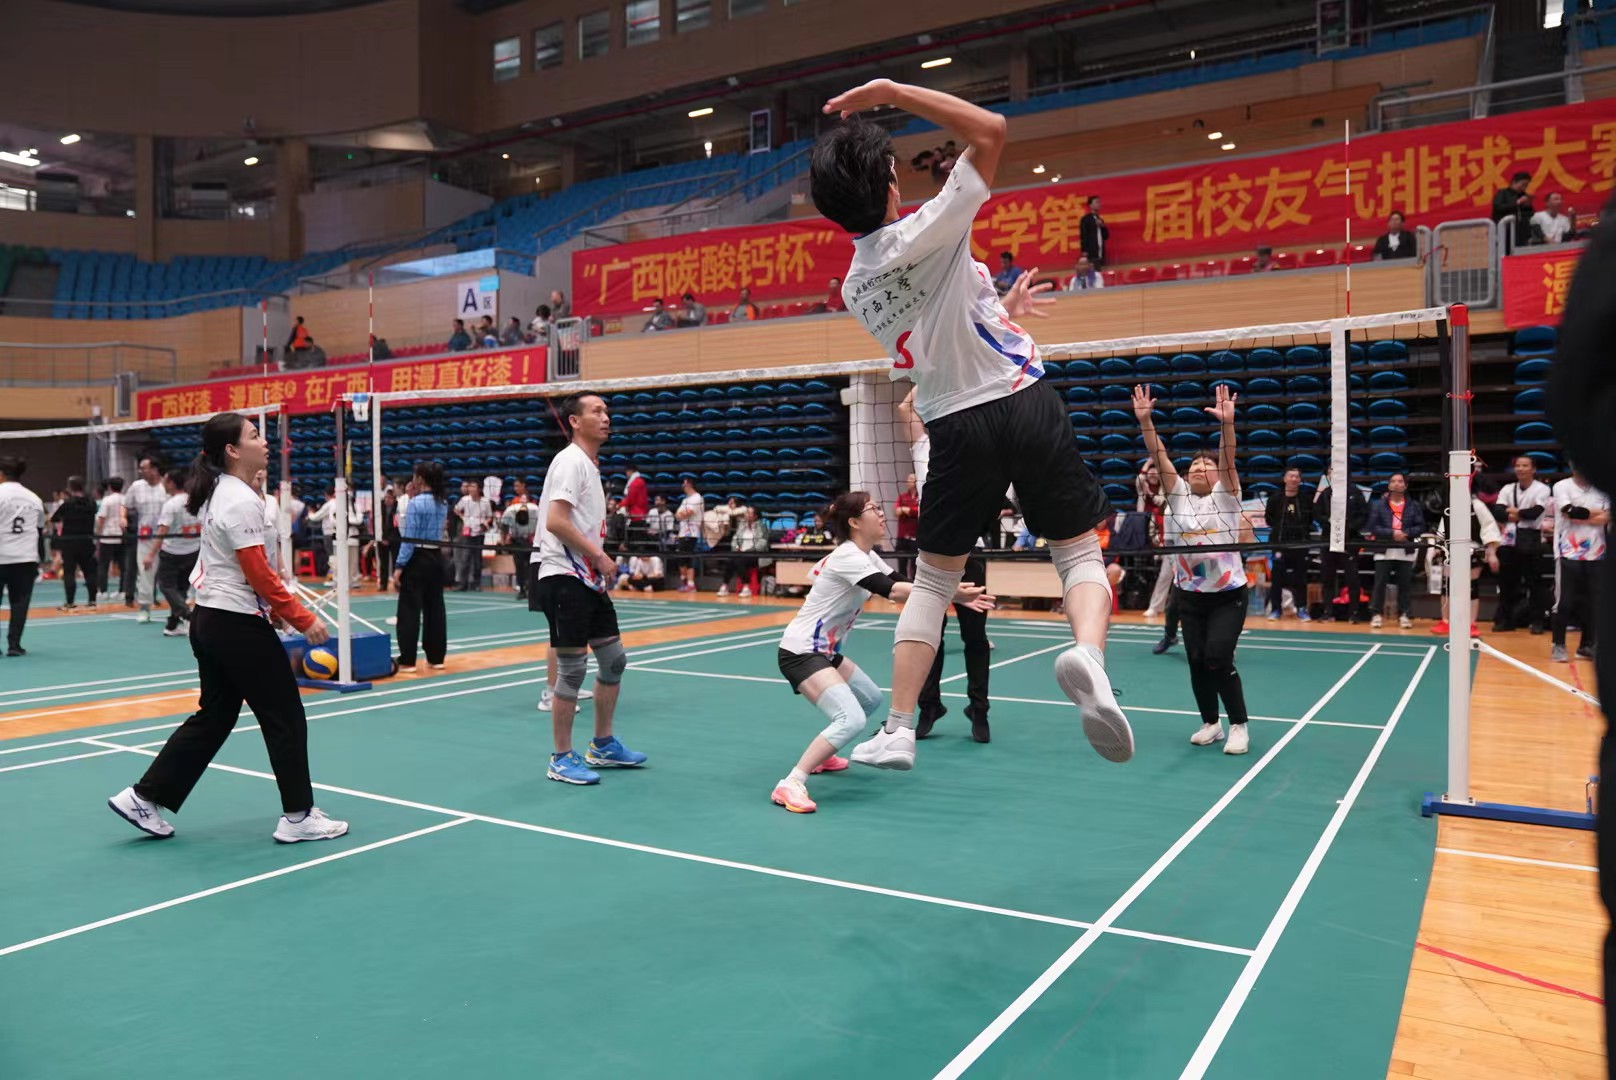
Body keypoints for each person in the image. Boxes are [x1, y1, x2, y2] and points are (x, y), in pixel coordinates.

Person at [812, 78, 1130, 770]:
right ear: (892, 182)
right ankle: (1089, 655)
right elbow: (991, 129)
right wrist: (892, 90)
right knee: (1077, 552)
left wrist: (997, 306)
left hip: (955, 425)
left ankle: (899, 728)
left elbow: (941, 324)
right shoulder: (935, 223)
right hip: (1024, 399)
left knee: (932, 583)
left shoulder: (855, 286)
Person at [106, 412, 346, 843]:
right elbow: (258, 572)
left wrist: (272, 610)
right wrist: (302, 617)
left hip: (212, 618)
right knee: (285, 716)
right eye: (254, 436)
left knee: (215, 716)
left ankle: (143, 797)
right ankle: (298, 817)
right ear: (233, 450)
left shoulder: (227, 492)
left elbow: (244, 568)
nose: (265, 442)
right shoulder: (238, 499)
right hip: (234, 624)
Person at [770, 491, 993, 812]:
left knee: (871, 699)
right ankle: (791, 782)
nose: (881, 513)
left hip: (826, 651)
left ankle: (824, 755)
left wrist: (951, 596)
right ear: (854, 522)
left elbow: (903, 584)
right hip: (801, 651)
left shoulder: (867, 556)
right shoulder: (847, 556)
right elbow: (891, 590)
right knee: (850, 719)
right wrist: (951, 593)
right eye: (873, 508)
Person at [1544, 187, 1615, 1077]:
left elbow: (1575, 390)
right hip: (1579, 558)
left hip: (1597, 555)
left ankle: (1579, 644)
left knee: (1583, 607)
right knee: (1569, 609)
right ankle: (1568, 646)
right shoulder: (1569, 492)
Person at [530, 392, 648, 785]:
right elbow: (556, 521)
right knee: (573, 668)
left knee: (613, 660)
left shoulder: (589, 466)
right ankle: (560, 757)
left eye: (607, 411)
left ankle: (603, 745)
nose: (606, 417)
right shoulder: (570, 462)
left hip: (586, 578)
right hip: (563, 575)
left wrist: (595, 561)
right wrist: (599, 555)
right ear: (575, 421)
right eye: (596, 411)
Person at [1134, 384, 1254, 755]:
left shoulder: (1226, 496)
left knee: (1218, 657)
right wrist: (1146, 421)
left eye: (1206, 465)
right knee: (1197, 663)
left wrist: (1227, 425)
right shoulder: (1179, 497)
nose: (1199, 467)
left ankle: (1238, 725)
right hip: (1189, 595)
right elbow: (1159, 456)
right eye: (1194, 465)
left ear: (1218, 475)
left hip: (1228, 595)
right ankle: (1211, 723)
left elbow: (1228, 457)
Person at [393, 462, 449, 672]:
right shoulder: (442, 502)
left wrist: (399, 566)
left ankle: (407, 660)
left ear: (420, 479)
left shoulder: (415, 503)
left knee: (409, 610)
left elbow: (409, 538)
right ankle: (436, 658)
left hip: (417, 558)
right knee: (435, 609)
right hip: (436, 557)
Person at [1550, 465, 1608, 662]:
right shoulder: (1561, 486)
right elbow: (1570, 512)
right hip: (1567, 552)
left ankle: (1586, 646)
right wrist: (1596, 515)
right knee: (1564, 601)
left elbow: (1608, 516)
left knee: (1593, 602)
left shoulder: (1603, 488)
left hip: (1597, 553)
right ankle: (1558, 645)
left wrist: (1583, 515)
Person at [1493, 455, 1554, 633]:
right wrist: (1519, 514)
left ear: (1533, 469)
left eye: (1525, 465)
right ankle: (1506, 620)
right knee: (1507, 583)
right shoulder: (1507, 488)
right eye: (1518, 466)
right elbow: (1498, 512)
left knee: (1534, 583)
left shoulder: (1542, 489)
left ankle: (1537, 621)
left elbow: (1535, 513)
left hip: (1531, 539)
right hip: (1508, 540)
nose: (1520, 469)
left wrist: (1514, 512)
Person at [1365, 473, 1426, 629]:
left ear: (1405, 486)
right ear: (1389, 485)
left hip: (1405, 549)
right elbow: (1373, 526)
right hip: (1384, 548)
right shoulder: (1378, 505)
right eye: (1393, 481)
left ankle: (1404, 614)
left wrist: (1406, 533)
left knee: (1405, 584)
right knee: (1380, 583)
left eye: (1400, 481)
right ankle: (1376, 614)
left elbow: (1420, 526)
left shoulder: (1414, 505)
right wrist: (1392, 533)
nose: (1396, 484)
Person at [148, 467, 202, 638]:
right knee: (181, 589)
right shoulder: (196, 501)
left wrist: (150, 555)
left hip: (172, 552)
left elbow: (162, 530)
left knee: (166, 586)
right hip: (193, 550)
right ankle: (172, 625)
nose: (163, 483)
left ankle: (188, 615)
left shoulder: (171, 504)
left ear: (171, 483)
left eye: (165, 480)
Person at [0, 455, 45, 657]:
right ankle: (14, 645)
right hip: (25, 557)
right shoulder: (34, 498)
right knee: (20, 603)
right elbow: (39, 529)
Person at [1314, 466, 1370, 623]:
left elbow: (1363, 515)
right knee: (1327, 578)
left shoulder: (1355, 493)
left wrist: (1348, 527)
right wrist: (1328, 522)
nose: (1333, 475)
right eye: (1330, 473)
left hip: (1349, 541)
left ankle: (1354, 612)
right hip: (1328, 541)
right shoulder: (1325, 494)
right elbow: (1317, 514)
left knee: (1352, 579)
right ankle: (1328, 612)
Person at [1265, 468, 1313, 621]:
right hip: (1279, 545)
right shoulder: (1275, 499)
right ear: (1285, 479)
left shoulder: (1305, 499)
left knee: (1301, 579)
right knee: (1277, 579)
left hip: (1300, 545)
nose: (1294, 479)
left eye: (1297, 476)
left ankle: (1301, 609)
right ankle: (1276, 610)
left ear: (1300, 480)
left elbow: (1310, 520)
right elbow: (1269, 520)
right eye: (1291, 476)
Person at [127, 456, 169, 623]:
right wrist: (122, 517)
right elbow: (125, 505)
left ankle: (179, 608)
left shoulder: (167, 485)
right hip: (145, 536)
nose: (141, 471)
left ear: (154, 469)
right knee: (145, 571)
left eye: (144, 468)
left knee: (170, 573)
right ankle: (144, 607)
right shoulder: (136, 486)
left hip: (168, 537)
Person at [51, 474, 98, 610]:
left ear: (70, 487)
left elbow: (54, 518)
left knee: (69, 572)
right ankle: (92, 602)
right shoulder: (91, 502)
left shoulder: (67, 503)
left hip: (70, 542)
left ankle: (70, 603)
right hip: (87, 540)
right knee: (90, 571)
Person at [453, 479, 494, 591]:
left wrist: (485, 523)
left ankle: (476, 584)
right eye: (470, 487)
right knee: (465, 558)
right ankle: (463, 584)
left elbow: (490, 516)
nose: (471, 489)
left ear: (479, 489)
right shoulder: (465, 500)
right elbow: (456, 509)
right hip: (467, 531)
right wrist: (463, 517)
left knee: (477, 559)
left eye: (473, 486)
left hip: (479, 532)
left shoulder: (485, 502)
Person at [502, 479, 539, 602]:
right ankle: (522, 589)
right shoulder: (513, 503)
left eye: (518, 485)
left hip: (531, 540)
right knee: (519, 565)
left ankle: (530, 589)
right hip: (517, 539)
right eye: (514, 486)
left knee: (531, 565)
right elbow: (507, 521)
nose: (516, 488)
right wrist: (507, 536)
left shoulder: (534, 503)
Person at [95, 475, 127, 600]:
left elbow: (101, 518)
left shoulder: (107, 500)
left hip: (107, 536)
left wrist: (98, 533)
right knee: (123, 566)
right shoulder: (125, 499)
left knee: (103, 565)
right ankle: (123, 591)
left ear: (109, 487)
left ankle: (102, 591)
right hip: (122, 536)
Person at [675, 476, 704, 591]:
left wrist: (682, 514)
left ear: (689, 484)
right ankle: (684, 582)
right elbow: (677, 515)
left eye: (684, 483)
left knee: (689, 558)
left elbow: (688, 513)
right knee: (681, 559)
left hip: (692, 533)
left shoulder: (697, 498)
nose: (683, 486)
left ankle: (691, 584)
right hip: (682, 532)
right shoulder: (685, 500)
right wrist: (681, 514)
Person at [1079, 195, 1108, 268]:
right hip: (1091, 252)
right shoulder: (1086, 219)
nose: (1099, 204)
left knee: (1101, 270)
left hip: (1101, 251)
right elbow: (1083, 235)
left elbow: (1106, 236)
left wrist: (1102, 226)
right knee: (1092, 270)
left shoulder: (1100, 219)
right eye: (1096, 202)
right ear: (1090, 205)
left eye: (1099, 202)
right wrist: (1084, 250)